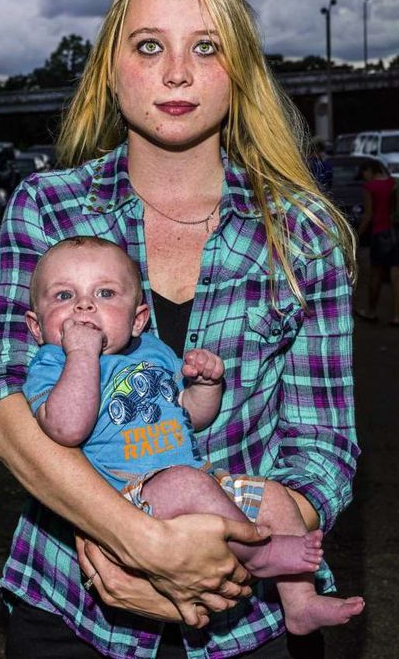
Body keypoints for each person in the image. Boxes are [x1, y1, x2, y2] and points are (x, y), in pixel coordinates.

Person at [0, 0, 360, 659]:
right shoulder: (46, 207)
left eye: (205, 47)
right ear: (111, 70)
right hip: (71, 607)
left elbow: (322, 447)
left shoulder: (305, 232)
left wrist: (224, 557)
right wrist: (138, 538)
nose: (177, 73)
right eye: (150, 46)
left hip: (250, 622)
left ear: (239, 72)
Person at [23, 234, 363, 636]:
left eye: (105, 292)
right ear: (37, 326)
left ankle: (300, 603)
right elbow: (66, 427)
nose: (84, 305)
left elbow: (191, 418)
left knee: (274, 496)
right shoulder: (52, 364)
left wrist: (205, 387)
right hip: (128, 499)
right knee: (187, 483)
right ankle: (258, 553)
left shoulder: (152, 351)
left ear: (137, 319)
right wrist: (81, 354)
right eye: (63, 295)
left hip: (196, 480)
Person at [355, 159, 399, 326]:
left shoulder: (370, 187)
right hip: (396, 231)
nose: (364, 178)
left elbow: (368, 215)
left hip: (380, 233)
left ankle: (372, 311)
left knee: (376, 275)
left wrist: (357, 236)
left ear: (369, 170)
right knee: (396, 275)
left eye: (363, 174)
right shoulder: (392, 183)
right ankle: (396, 316)